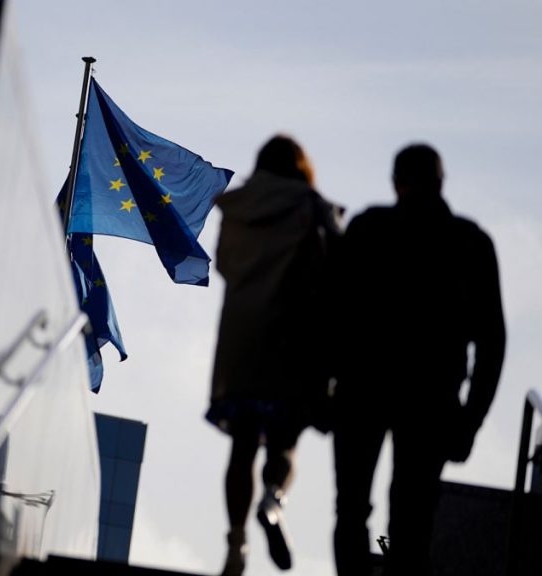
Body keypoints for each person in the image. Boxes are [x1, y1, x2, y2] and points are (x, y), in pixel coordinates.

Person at [332, 143, 505, 575]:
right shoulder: (471, 242)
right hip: (432, 399)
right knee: (412, 524)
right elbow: (492, 343)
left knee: (352, 510)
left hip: (362, 389)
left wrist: (323, 388)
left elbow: (332, 314)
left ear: (396, 182)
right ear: (441, 183)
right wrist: (471, 419)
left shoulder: (368, 229)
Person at [207, 135, 342, 576]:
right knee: (284, 440)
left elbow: (224, 264)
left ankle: (235, 542)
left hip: (242, 338)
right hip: (293, 339)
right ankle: (273, 500)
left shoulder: (238, 207)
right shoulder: (311, 206)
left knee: (242, 445)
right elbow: (336, 266)